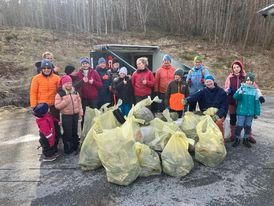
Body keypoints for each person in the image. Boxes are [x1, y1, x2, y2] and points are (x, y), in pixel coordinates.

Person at [224, 60, 265, 143]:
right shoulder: (230, 77)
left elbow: (255, 88)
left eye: (237, 67)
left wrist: (260, 96)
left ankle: (249, 135)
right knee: (233, 119)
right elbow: (226, 88)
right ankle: (233, 135)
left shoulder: (246, 77)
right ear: (232, 69)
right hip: (233, 101)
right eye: (234, 67)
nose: (236, 69)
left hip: (243, 102)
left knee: (247, 120)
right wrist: (227, 91)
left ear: (241, 67)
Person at [30, 59, 61, 150]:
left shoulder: (56, 78)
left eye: (48, 68)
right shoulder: (36, 78)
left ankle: (55, 144)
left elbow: (60, 91)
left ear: (51, 68)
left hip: (54, 106)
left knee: (56, 126)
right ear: (41, 68)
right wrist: (34, 105)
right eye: (44, 68)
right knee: (45, 128)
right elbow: (33, 92)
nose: (46, 69)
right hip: (42, 108)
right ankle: (46, 146)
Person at [55, 75, 83, 154]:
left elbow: (79, 103)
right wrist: (65, 102)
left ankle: (75, 146)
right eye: (67, 83)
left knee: (75, 131)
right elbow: (57, 106)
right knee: (68, 133)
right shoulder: (60, 94)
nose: (69, 85)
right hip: (66, 116)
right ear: (63, 84)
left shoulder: (75, 92)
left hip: (75, 115)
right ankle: (68, 148)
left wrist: (80, 112)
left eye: (70, 83)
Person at [232, 73, 261, 148]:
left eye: (250, 80)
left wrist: (256, 112)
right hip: (241, 112)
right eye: (247, 80)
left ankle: (246, 139)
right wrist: (239, 93)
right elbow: (235, 97)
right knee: (239, 125)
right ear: (245, 81)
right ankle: (237, 139)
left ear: (253, 81)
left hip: (250, 113)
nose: (249, 82)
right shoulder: (241, 88)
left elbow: (257, 103)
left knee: (248, 126)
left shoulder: (255, 91)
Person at [76, 57, 102, 126]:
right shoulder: (78, 73)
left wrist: (93, 82)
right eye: (83, 63)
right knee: (84, 115)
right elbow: (76, 85)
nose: (85, 65)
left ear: (89, 64)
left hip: (93, 98)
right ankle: (84, 130)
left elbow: (100, 84)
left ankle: (95, 128)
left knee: (94, 115)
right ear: (81, 65)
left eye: (86, 63)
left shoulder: (94, 72)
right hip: (84, 98)